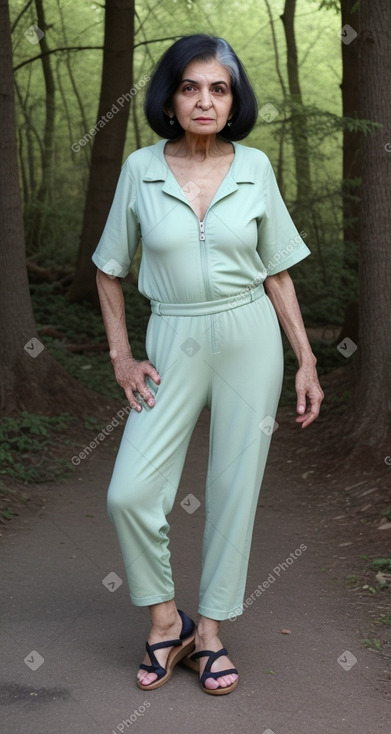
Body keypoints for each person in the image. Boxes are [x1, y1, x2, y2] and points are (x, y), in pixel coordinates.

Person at [92, 33, 324, 696]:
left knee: (233, 488)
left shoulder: (254, 168)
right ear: (168, 96)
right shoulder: (140, 168)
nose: (203, 99)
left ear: (232, 101)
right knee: (130, 492)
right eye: (190, 86)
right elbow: (109, 269)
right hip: (170, 337)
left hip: (248, 334)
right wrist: (121, 356)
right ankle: (168, 623)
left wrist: (305, 358)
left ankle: (212, 633)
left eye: (217, 88)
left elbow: (275, 271)